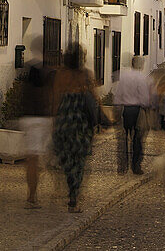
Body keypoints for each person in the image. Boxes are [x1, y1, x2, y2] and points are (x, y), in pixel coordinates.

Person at [51, 43, 99, 212]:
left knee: (66, 159)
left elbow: (56, 99)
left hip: (64, 122)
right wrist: (99, 119)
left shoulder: (60, 75)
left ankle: (69, 185)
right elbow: (93, 98)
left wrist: (54, 122)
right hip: (80, 123)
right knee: (79, 162)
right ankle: (73, 196)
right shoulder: (85, 75)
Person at [18, 51, 54, 208]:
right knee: (35, 160)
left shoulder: (28, 90)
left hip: (28, 120)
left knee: (32, 159)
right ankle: (32, 196)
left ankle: (31, 194)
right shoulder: (43, 91)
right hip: (41, 121)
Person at [114, 55, 154, 175]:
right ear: (141, 65)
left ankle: (122, 167)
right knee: (137, 139)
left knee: (124, 139)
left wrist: (117, 108)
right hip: (137, 110)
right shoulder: (141, 78)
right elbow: (144, 98)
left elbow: (118, 94)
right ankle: (135, 166)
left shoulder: (124, 77)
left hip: (125, 110)